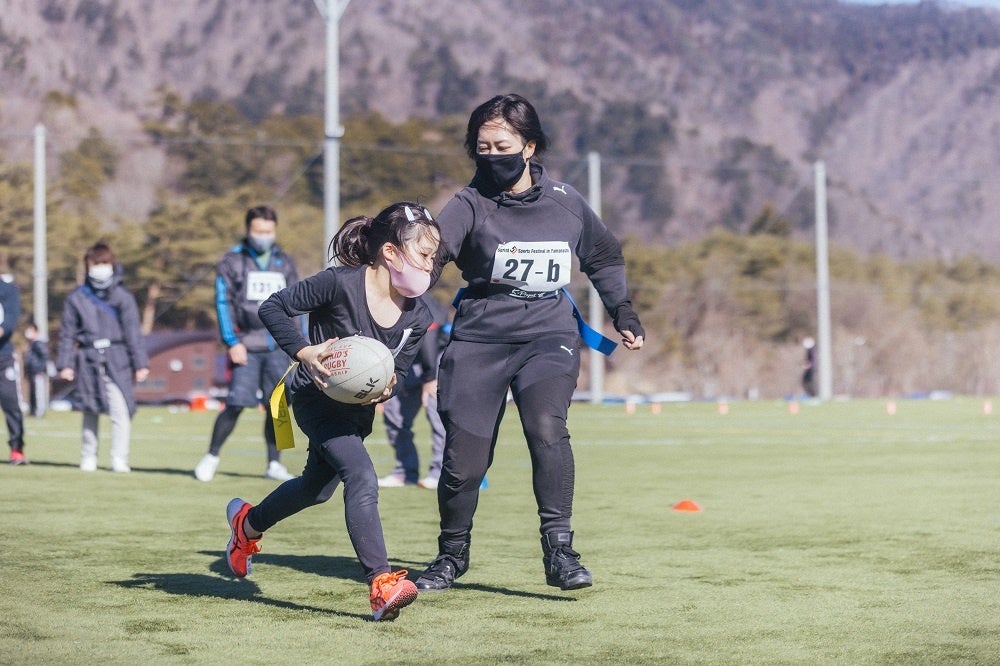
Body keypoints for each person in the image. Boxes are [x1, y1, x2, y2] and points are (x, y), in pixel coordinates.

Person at [415, 94, 645, 593]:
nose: (492, 156)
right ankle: (452, 555)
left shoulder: (565, 201)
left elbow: (602, 255)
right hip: (479, 337)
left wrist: (622, 308)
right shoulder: (466, 204)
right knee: (464, 458)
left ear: (529, 146)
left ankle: (559, 551)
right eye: (482, 147)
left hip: (548, 332)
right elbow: (431, 260)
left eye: (503, 146)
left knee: (546, 427)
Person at [224, 201, 440, 621]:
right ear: (391, 252)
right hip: (314, 400)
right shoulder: (338, 283)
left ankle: (246, 526)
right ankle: (381, 584)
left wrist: (386, 385)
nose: (431, 266)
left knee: (315, 488)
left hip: (355, 414)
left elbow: (397, 370)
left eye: (434, 257)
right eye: (425, 255)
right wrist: (304, 351)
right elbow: (273, 307)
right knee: (360, 476)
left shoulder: (421, 314)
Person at [194, 205, 300, 482]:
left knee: (279, 406)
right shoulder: (232, 260)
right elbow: (222, 302)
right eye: (258, 230)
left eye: (268, 231)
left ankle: (275, 463)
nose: (263, 235)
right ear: (248, 230)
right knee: (237, 402)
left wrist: (297, 345)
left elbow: (297, 305)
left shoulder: (285, 262)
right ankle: (212, 456)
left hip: (278, 345)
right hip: (245, 344)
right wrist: (231, 341)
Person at [56, 242, 149, 472]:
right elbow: (67, 333)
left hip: (117, 358)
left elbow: (133, 332)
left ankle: (119, 458)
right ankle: (88, 456)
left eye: (104, 263)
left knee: (121, 410)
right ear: (87, 266)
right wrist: (65, 363)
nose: (100, 268)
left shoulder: (122, 297)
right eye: (95, 264)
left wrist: (141, 363)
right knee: (89, 409)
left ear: (112, 264)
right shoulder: (76, 298)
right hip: (87, 358)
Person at [378, 298, 448, 490]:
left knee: (437, 416)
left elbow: (429, 339)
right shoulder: (380, 295)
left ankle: (439, 472)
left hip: (435, 362)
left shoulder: (420, 299)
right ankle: (405, 472)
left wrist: (430, 378)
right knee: (394, 414)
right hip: (405, 363)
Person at [0, 272, 28, 464]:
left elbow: (9, 321)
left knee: (11, 403)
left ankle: (17, 449)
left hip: (3, 357)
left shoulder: (7, 289)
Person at [24, 321, 50, 418]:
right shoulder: (31, 344)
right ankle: (32, 411)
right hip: (32, 372)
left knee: (39, 393)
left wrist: (40, 369)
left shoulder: (38, 343)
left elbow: (44, 357)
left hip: (37, 372)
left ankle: (39, 412)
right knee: (32, 393)